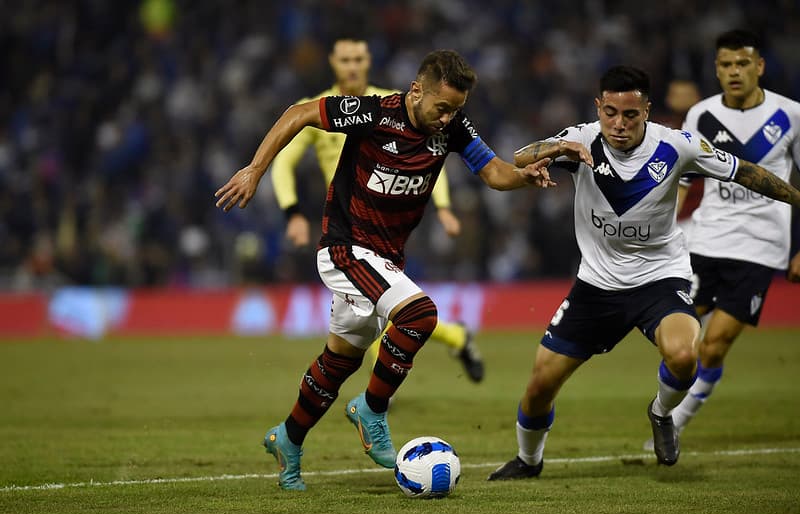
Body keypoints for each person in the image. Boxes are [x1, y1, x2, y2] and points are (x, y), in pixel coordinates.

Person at [215, 49, 557, 490]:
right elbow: (299, 113)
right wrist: (255, 170)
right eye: (442, 107)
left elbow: (493, 172)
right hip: (345, 248)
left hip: (384, 260)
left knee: (339, 361)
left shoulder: (452, 128)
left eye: (456, 110)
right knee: (420, 315)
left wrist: (523, 177)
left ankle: (288, 438)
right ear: (416, 91)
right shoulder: (374, 113)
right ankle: (372, 410)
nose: (447, 117)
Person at [486, 65, 800, 481]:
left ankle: (661, 412)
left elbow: (746, 172)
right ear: (598, 107)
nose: (619, 124)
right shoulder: (581, 138)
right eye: (610, 112)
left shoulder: (679, 146)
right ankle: (528, 461)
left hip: (659, 279)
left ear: (647, 111)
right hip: (596, 286)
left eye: (630, 115)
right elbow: (520, 156)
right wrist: (559, 149)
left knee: (686, 354)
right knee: (541, 383)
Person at [271, 36, 484, 383]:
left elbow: (432, 159)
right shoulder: (320, 105)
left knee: (385, 313)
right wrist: (291, 211)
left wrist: (443, 207)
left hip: (386, 221)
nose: (352, 66)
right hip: (346, 223)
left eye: (358, 59)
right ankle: (392, 385)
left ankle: (375, 398)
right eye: (345, 60)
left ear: (367, 61)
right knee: (379, 312)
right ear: (333, 63)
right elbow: (285, 162)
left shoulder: (394, 104)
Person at [661, 29, 800, 440]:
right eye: (726, 65)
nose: (734, 72)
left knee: (715, 343)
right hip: (706, 239)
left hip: (761, 246)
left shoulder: (790, 114)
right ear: (717, 70)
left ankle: (674, 423)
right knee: (679, 335)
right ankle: (662, 405)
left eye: (743, 63)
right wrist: (661, 228)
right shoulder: (701, 114)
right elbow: (682, 180)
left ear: (759, 66)